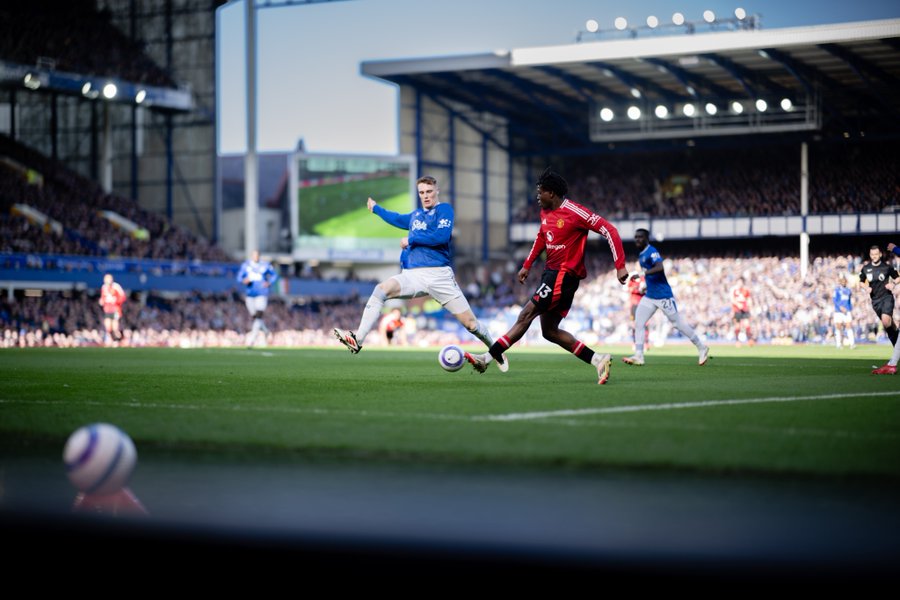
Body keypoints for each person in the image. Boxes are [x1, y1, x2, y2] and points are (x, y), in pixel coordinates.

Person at [464, 168, 627, 384]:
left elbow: (610, 230)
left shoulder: (576, 212)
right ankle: (598, 359)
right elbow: (542, 237)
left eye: (540, 192)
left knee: (526, 314)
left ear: (552, 193)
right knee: (549, 331)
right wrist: (527, 264)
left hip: (563, 274)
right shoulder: (545, 213)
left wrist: (620, 265)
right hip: (550, 273)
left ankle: (486, 358)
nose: (537, 196)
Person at [333, 175, 505, 371]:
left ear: (436, 191)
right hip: (413, 276)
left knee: (471, 325)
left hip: (439, 276)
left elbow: (441, 237)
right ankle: (357, 340)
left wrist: (411, 238)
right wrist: (376, 209)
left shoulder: (445, 210)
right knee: (381, 289)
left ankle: (495, 350)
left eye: (429, 192)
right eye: (422, 192)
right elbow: (396, 218)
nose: (425, 196)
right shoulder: (415, 216)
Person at [622, 229, 709, 367]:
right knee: (639, 322)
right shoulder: (641, 255)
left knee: (678, 324)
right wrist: (645, 285)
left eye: (640, 237)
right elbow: (653, 276)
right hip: (650, 295)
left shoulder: (652, 251)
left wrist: (642, 274)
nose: (637, 239)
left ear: (646, 238)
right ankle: (639, 355)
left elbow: (660, 268)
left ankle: (702, 347)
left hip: (663, 296)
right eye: (636, 237)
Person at [237, 250, 278, 348]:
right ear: (251, 256)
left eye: (257, 255)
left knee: (259, 316)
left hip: (262, 294)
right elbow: (239, 277)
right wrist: (244, 280)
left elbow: (274, 275)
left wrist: (269, 282)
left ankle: (252, 340)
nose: (256, 257)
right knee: (255, 318)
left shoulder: (265, 265)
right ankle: (266, 331)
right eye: (254, 255)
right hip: (250, 294)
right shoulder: (246, 265)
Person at [99, 273, 126, 345]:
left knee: (115, 327)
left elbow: (123, 296)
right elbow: (103, 297)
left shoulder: (116, 287)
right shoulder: (104, 287)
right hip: (107, 310)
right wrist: (102, 301)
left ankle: (119, 340)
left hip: (115, 309)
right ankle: (110, 339)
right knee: (107, 326)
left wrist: (116, 301)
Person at [832, 274, 855, 349]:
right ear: (840, 282)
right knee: (838, 327)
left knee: (849, 326)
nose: (843, 282)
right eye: (842, 281)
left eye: (845, 281)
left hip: (847, 311)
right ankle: (838, 344)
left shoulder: (848, 290)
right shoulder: (837, 290)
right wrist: (840, 307)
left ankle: (852, 344)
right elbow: (834, 300)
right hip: (838, 311)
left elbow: (849, 301)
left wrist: (850, 310)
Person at [730, 277, 753, 346]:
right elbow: (732, 300)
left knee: (747, 324)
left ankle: (749, 340)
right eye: (738, 282)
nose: (739, 283)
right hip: (737, 310)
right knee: (737, 326)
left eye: (741, 282)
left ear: (743, 283)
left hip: (745, 310)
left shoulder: (746, 290)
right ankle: (737, 341)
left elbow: (749, 299)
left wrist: (750, 306)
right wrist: (738, 304)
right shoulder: (734, 290)